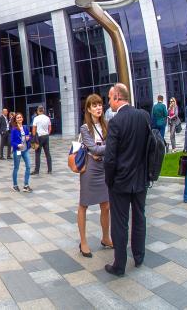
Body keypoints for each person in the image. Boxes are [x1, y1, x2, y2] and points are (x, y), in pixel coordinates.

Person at [103, 83, 150, 277]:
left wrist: (109, 180)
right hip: (140, 179)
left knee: (120, 223)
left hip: (120, 182)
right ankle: (139, 257)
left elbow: (110, 157)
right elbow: (150, 146)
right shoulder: (143, 116)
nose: (108, 102)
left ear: (117, 97)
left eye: (109, 98)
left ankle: (119, 265)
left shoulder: (116, 122)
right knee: (139, 217)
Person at [77, 94, 113, 258]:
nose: (98, 108)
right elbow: (94, 149)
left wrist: (103, 149)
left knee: (106, 205)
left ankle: (106, 237)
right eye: (94, 105)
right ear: (89, 109)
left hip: (103, 167)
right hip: (90, 169)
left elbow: (101, 149)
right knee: (84, 204)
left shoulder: (106, 125)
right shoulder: (85, 128)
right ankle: (83, 241)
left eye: (100, 104)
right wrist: (109, 146)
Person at [10, 113, 32, 192]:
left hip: (25, 150)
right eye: (18, 118)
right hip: (18, 151)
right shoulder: (14, 129)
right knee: (16, 168)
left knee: (28, 166)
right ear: (16, 120)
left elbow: (29, 137)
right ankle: (15, 185)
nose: (19, 119)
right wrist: (17, 145)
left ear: (22, 118)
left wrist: (28, 138)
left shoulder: (25, 127)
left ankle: (26, 185)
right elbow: (11, 142)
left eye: (20, 117)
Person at [31, 106, 53, 175]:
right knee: (47, 153)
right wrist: (47, 134)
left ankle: (37, 170)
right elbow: (50, 128)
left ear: (38, 111)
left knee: (37, 154)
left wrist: (34, 137)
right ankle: (49, 170)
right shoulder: (47, 118)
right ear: (43, 110)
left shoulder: (36, 118)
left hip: (39, 137)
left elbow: (34, 129)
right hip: (46, 136)